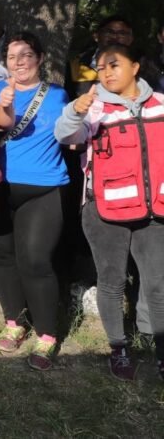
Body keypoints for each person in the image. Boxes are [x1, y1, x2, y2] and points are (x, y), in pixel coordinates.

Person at [54, 43, 164, 382]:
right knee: (111, 281)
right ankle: (118, 348)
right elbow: (65, 133)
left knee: (158, 284)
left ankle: (161, 350)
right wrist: (75, 109)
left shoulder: (161, 104)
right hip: (103, 209)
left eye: (114, 65)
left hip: (155, 211)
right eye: (100, 68)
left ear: (135, 67)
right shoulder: (94, 108)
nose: (107, 72)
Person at [0, 32, 68, 371]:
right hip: (1, 187)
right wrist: (2, 105)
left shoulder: (58, 94)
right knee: (5, 257)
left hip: (45, 187)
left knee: (35, 260)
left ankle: (47, 333)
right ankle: (14, 322)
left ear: (40, 58)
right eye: (12, 56)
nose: (18, 61)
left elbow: (73, 133)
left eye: (26, 55)